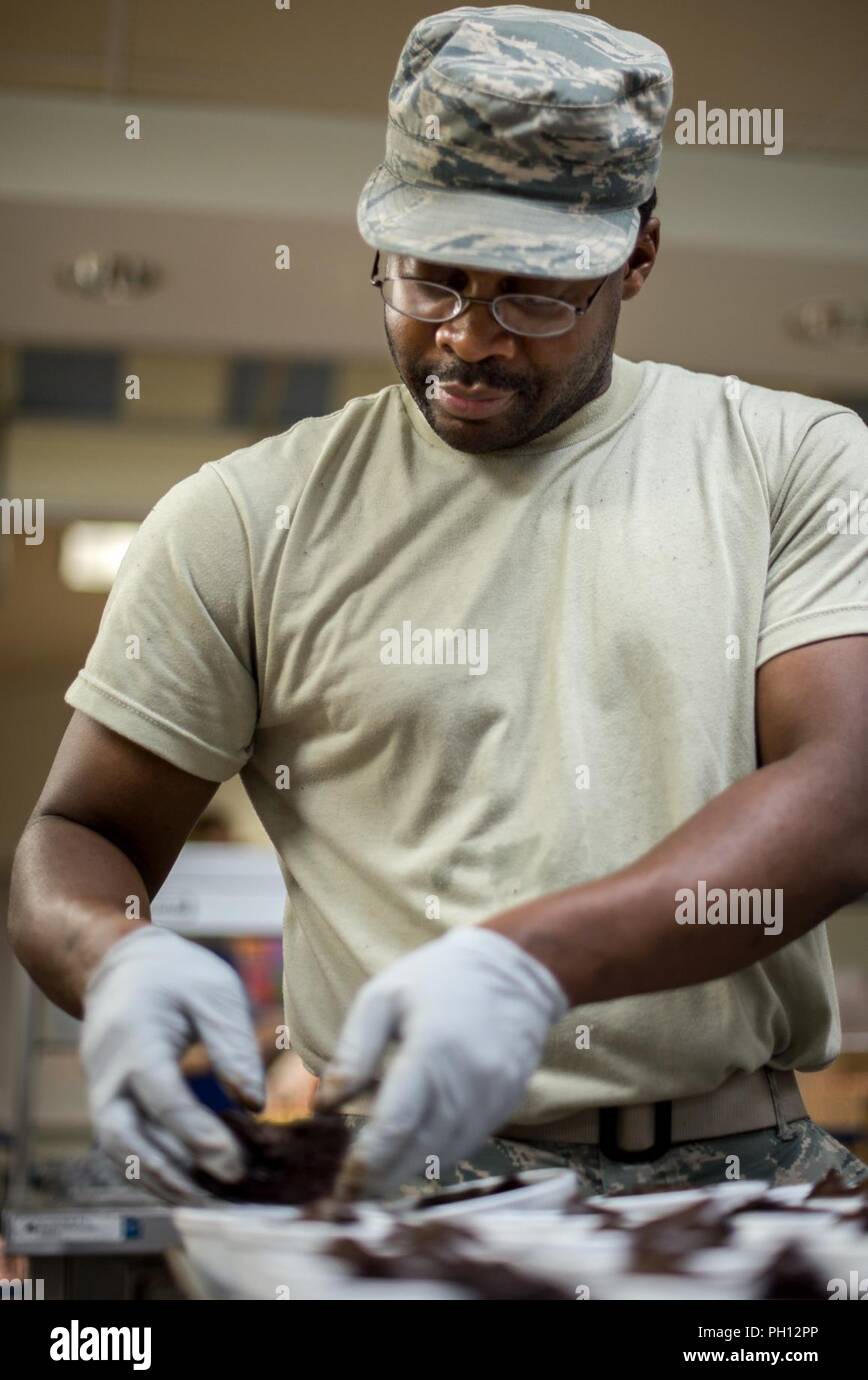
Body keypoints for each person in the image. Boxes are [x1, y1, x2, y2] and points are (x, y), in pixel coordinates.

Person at [9, 7, 868, 1203]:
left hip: (738, 1179)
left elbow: (843, 793)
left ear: (637, 255)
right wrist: (115, 957)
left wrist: (527, 964)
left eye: (533, 296)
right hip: (396, 1178)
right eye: (430, 278)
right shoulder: (243, 518)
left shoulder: (791, 461)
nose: (466, 339)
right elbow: (77, 832)